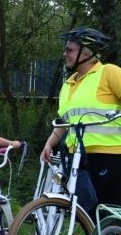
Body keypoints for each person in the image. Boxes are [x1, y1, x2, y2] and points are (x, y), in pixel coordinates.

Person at [42, 27, 121, 207]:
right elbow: (64, 122)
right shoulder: (67, 85)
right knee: (86, 214)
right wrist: (49, 144)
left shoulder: (108, 73)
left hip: (108, 156)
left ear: (87, 52)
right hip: (76, 158)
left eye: (69, 50)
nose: (64, 54)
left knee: (108, 214)